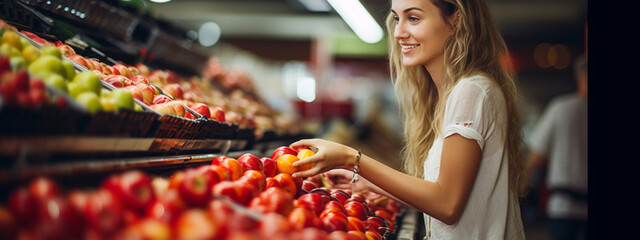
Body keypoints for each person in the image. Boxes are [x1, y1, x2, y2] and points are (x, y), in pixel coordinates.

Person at [289, 0, 527, 239]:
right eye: (396, 18)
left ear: (457, 19)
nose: (398, 33)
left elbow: (447, 204)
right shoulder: (452, 94)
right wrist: (366, 183)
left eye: (413, 18)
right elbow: (446, 199)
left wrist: (351, 158)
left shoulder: (471, 91)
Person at [526, 54, 588, 240]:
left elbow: (537, 156)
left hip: (564, 206)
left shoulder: (561, 108)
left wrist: (517, 181)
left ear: (578, 77)